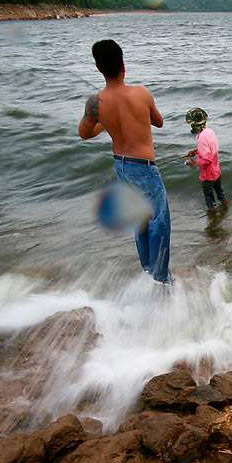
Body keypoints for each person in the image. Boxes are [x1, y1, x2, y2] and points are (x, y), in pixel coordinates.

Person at [78, 39, 171, 283]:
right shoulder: (141, 93)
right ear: (123, 65)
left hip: (121, 165)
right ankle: (161, 279)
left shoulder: (95, 103)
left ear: (98, 68)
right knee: (159, 221)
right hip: (144, 167)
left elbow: (84, 133)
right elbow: (158, 121)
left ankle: (149, 271)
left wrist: (105, 121)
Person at [182, 107, 227, 212]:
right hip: (216, 171)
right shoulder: (209, 132)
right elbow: (210, 149)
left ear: (194, 123)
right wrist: (196, 151)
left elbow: (207, 159)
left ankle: (213, 222)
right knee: (220, 194)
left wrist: (194, 162)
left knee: (209, 200)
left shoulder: (201, 138)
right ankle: (226, 211)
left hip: (208, 175)